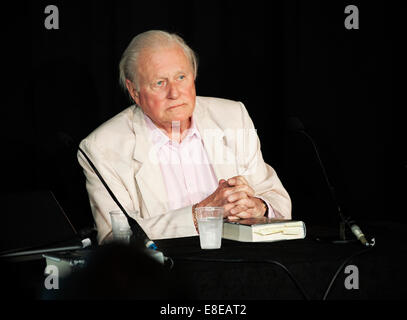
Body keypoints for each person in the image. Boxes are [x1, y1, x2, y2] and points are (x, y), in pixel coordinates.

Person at [77, 30, 291, 244]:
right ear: (134, 91)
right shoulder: (102, 147)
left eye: (181, 77)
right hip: (163, 272)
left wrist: (258, 206)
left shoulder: (232, 117)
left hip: (243, 264)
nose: (175, 93)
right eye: (159, 83)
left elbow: (278, 201)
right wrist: (200, 215)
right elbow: (115, 238)